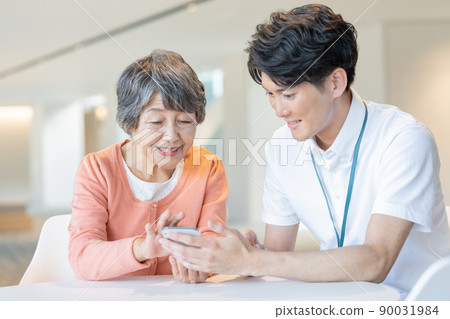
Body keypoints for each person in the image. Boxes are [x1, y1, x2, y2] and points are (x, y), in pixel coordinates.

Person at [160, 4, 450, 296]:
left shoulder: (403, 140)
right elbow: (275, 255)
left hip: (416, 303)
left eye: (288, 94)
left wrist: (256, 260)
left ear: (335, 82)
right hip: (338, 302)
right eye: (270, 95)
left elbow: (377, 260)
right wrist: (232, 256)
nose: (278, 110)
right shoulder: (281, 147)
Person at [69, 49, 228, 284]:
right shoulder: (97, 169)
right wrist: (142, 249)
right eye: (156, 122)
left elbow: (212, 244)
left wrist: (204, 264)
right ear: (131, 123)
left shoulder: (208, 168)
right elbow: (83, 256)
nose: (172, 136)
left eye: (185, 121)